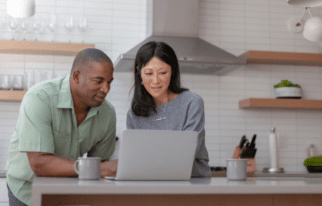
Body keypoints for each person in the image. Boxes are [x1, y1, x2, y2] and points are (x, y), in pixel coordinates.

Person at [5, 48, 118, 206]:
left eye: (109, 82)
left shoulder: (108, 113)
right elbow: (39, 163)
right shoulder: (39, 98)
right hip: (26, 190)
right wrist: (100, 169)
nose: (106, 89)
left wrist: (102, 170)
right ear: (77, 76)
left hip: (65, 192)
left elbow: (99, 167)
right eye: (99, 81)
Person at [126, 41, 211, 177]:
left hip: (193, 183)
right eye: (148, 73)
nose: (155, 81)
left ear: (172, 71)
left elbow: (187, 152)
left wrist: (149, 160)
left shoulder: (192, 102)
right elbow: (135, 158)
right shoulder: (134, 114)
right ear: (139, 73)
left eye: (162, 72)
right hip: (151, 183)